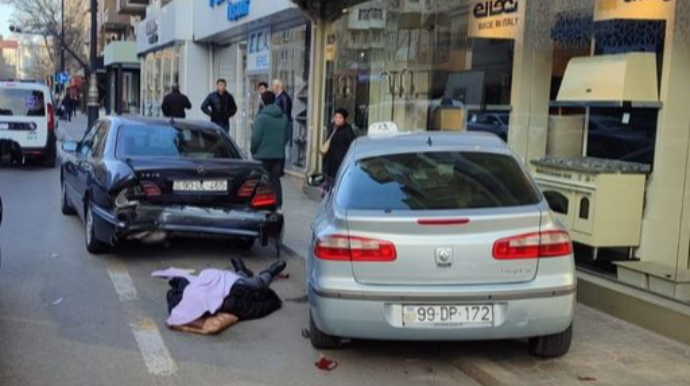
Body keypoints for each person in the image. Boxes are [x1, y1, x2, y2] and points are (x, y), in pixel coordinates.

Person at [251, 91, 289, 208]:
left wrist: (253, 151)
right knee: (275, 180)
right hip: (278, 155)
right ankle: (278, 203)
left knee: (260, 181)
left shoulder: (261, 118)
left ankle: (260, 203)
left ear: (263, 101)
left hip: (262, 155)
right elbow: (286, 137)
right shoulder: (283, 118)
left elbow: (255, 138)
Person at [322, 108, 356, 187]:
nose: (337, 119)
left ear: (344, 119)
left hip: (341, 160)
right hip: (330, 161)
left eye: (340, 117)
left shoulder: (348, 130)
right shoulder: (332, 128)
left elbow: (352, 145)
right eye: (336, 117)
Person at [273, 79, 293, 174]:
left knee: (280, 147)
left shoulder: (284, 98)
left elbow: (286, 114)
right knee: (278, 147)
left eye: (273, 86)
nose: (272, 88)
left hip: (282, 125)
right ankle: (278, 168)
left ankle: (280, 169)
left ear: (278, 87)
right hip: (278, 124)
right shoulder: (278, 97)